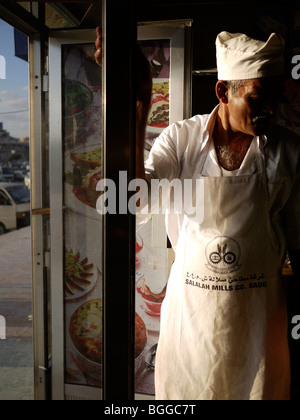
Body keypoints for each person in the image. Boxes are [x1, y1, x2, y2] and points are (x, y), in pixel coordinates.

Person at [95, 28, 300, 400]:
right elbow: (132, 204)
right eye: (258, 96)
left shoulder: (288, 151)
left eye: (275, 96)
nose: (270, 107)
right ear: (224, 92)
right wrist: (140, 102)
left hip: (259, 330)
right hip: (191, 328)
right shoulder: (182, 140)